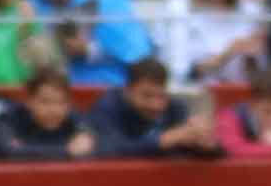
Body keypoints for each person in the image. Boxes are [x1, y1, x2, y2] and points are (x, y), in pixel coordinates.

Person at [88, 53, 218, 154]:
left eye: (161, 96)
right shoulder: (107, 108)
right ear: (127, 91)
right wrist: (164, 140)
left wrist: (205, 145)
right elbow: (110, 148)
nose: (156, 104)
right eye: (147, 96)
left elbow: (204, 152)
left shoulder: (175, 108)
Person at [0, 60, 91, 159]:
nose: (54, 110)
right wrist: (67, 151)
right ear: (28, 101)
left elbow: (98, 148)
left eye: (61, 102)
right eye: (45, 102)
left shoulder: (76, 121)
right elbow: (9, 152)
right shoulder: (7, 119)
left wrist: (86, 136)